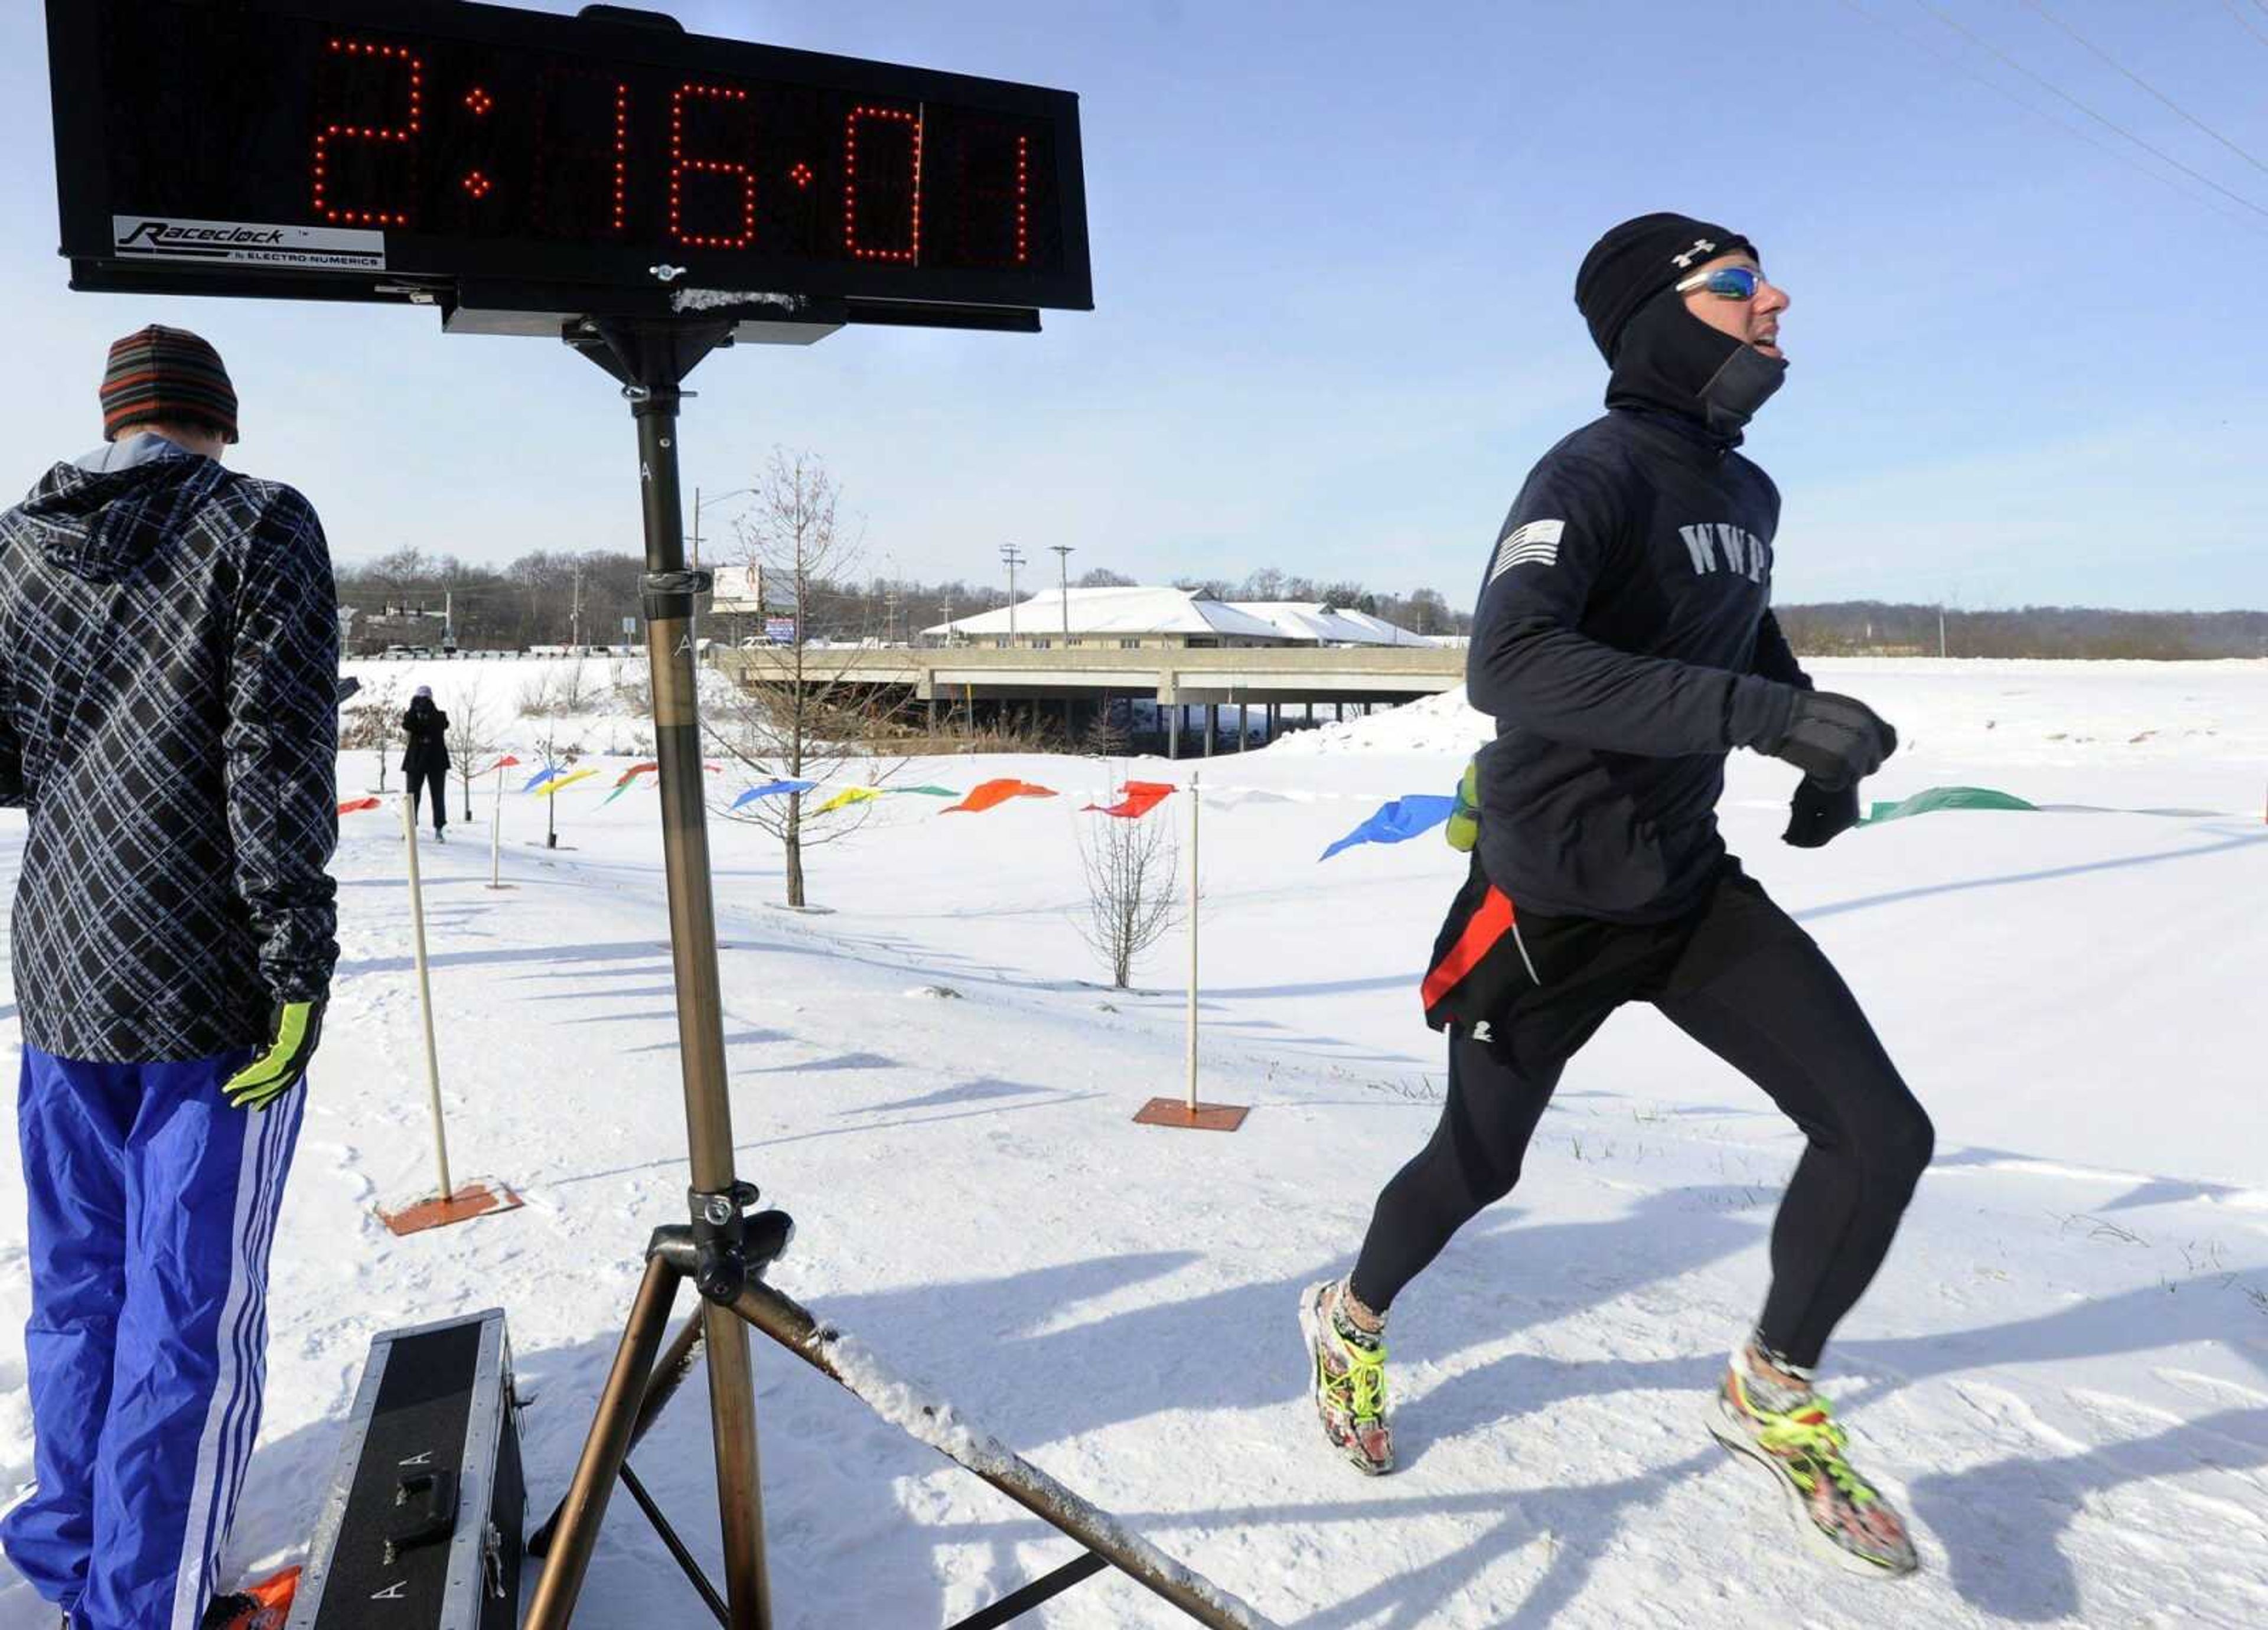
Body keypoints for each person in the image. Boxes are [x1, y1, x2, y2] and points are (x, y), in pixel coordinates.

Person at [1299, 214, 1932, 1578]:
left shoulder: (1744, 494)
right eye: (1736, 283)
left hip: (1687, 887)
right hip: (1548, 898)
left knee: (1878, 1132)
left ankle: (1769, 1389)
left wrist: (1811, 740)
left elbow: (1737, 636)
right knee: (1479, 1163)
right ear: (1659, 317)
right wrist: (1760, 709)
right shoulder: (1588, 471)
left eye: (1761, 279)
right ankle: (1349, 1317)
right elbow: (1509, 664)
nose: (1775, 299)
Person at [0, 326, 338, 1626]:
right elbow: (273, 762)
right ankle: (144, 1604)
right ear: (221, 419)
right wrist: (296, 960)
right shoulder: (258, 527)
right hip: (211, 993)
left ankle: (69, 1546)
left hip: (63, 978)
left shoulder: (20, 544)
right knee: (188, 1312)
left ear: (113, 416)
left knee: (80, 1286)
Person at [401, 687, 451, 842]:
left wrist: (430, 709)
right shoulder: (412, 715)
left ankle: (439, 828)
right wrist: (413, 708)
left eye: (426, 699)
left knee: (438, 796)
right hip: (415, 761)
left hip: (435, 761)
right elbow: (408, 725)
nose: (423, 702)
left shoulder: (439, 715)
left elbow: (442, 725)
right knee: (412, 797)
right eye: (420, 698)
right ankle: (409, 828)